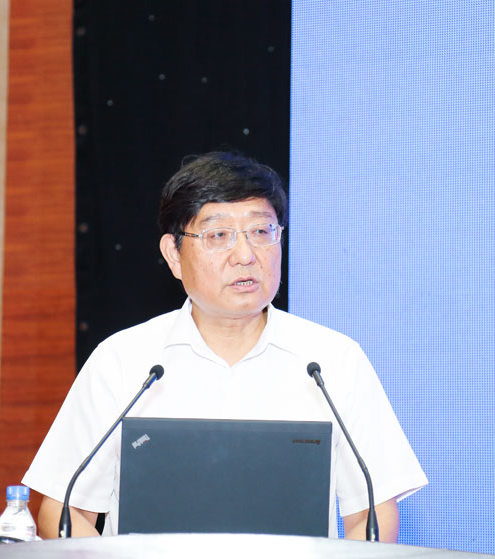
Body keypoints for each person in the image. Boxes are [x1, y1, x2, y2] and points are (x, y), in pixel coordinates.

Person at [22, 151, 427, 541]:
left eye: (261, 232)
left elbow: (373, 515)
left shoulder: (333, 361)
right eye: (218, 235)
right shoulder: (123, 360)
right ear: (174, 254)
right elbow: (63, 511)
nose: (246, 255)